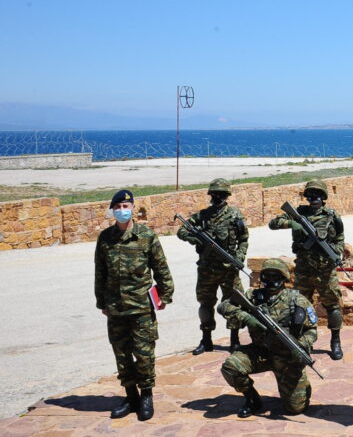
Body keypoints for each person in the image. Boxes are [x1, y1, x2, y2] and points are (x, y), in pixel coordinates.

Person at [94, 189, 174, 421]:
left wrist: (165, 295)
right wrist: (101, 301)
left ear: (132, 209)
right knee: (122, 354)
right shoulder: (105, 238)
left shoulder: (146, 236)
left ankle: (146, 396)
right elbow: (100, 272)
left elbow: (161, 268)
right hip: (116, 307)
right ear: (113, 210)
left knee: (144, 353)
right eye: (117, 207)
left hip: (141, 307)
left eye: (125, 206)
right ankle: (131, 397)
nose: (122, 211)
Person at [218, 258, 318, 417]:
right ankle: (252, 399)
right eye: (267, 276)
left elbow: (311, 330)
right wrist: (246, 317)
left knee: (295, 409)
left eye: (275, 276)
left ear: (284, 278)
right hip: (261, 352)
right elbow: (224, 306)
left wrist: (301, 345)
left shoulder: (296, 300)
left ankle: (301, 387)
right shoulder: (252, 296)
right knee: (231, 367)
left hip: (287, 358)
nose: (271, 280)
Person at [268, 179, 345, 361]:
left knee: (333, 306)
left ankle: (335, 341)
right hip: (304, 269)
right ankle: (301, 341)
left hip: (325, 271)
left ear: (324, 197)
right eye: (310, 194)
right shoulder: (298, 213)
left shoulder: (332, 216)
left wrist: (334, 252)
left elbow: (340, 239)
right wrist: (293, 224)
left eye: (318, 194)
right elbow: (273, 223)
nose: (314, 197)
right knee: (299, 307)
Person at [176, 178, 248, 355]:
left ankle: (234, 340)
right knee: (205, 305)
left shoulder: (235, 215)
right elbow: (182, 231)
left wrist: (239, 257)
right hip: (207, 269)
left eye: (221, 194)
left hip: (228, 270)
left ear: (227, 196)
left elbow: (244, 239)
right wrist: (196, 239)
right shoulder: (202, 216)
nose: (217, 197)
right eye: (215, 194)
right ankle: (206, 340)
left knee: (234, 304)